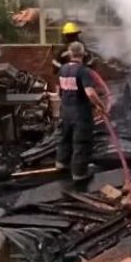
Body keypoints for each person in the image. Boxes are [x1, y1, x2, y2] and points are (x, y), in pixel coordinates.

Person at [55, 41, 106, 181]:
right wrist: (100, 105)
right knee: (81, 142)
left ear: (70, 54)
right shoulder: (84, 71)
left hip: (65, 109)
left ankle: (61, 163)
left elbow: (58, 90)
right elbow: (90, 93)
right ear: (83, 54)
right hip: (80, 112)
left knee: (64, 137)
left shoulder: (63, 69)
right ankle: (79, 173)